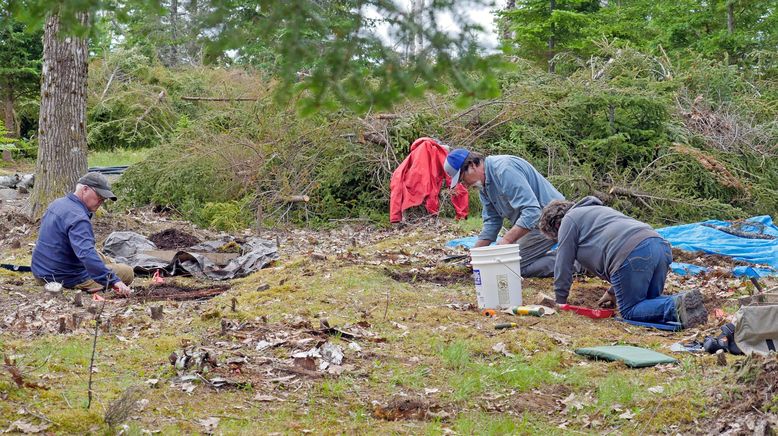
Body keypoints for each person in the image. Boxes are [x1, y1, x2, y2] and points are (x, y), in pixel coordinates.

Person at [538, 196, 707, 328]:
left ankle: (676, 304)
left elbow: (563, 263)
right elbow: (614, 240)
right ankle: (688, 305)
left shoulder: (569, 220)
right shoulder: (598, 211)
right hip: (659, 245)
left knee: (630, 311)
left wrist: (561, 301)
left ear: (557, 224)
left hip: (631, 253)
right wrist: (613, 292)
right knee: (650, 303)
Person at [444, 149, 563, 277]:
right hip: (535, 226)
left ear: (472, 165)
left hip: (553, 221)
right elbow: (492, 222)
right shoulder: (484, 186)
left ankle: (574, 262)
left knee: (510, 266)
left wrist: (506, 240)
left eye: (463, 179)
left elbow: (532, 212)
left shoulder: (504, 169)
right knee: (504, 261)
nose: (465, 185)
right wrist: (476, 254)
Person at [32, 172, 133, 297]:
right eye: (99, 195)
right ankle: (103, 275)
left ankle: (106, 266)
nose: (102, 200)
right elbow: (86, 254)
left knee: (99, 256)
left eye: (104, 197)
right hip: (64, 276)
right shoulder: (78, 218)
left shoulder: (57, 204)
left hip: (41, 269)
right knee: (127, 272)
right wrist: (114, 281)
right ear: (85, 189)